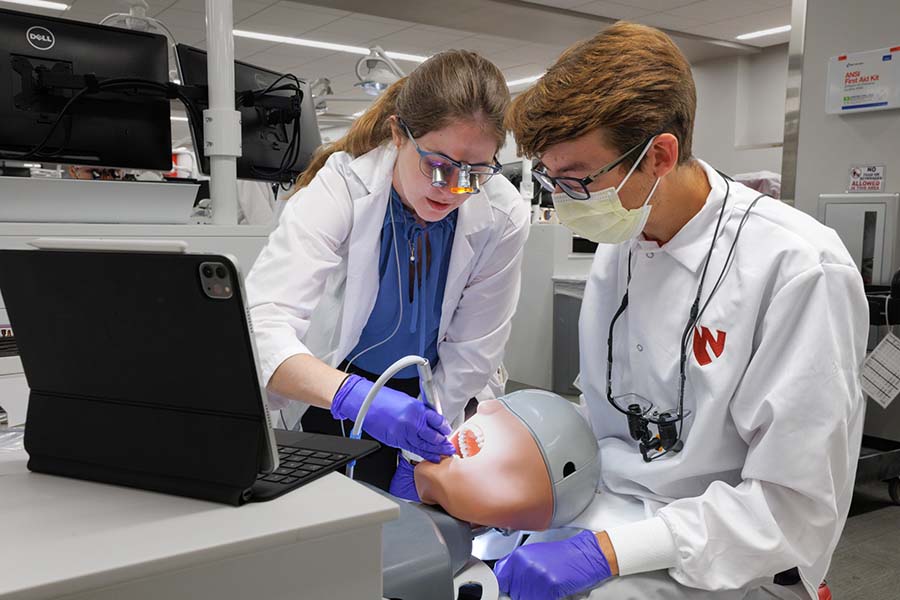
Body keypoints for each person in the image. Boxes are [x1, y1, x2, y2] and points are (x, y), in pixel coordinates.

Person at [493, 22, 868, 600]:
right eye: (553, 180)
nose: (566, 203)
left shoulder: (798, 270)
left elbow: (793, 506)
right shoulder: (622, 244)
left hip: (729, 558)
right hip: (610, 515)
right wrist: (507, 468)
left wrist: (613, 551)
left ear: (660, 155)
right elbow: (609, 414)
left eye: (577, 181)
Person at [245, 50, 530, 490]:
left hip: (439, 395)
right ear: (399, 134)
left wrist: (421, 448)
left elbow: (474, 349)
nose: (454, 188)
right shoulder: (342, 186)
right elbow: (263, 326)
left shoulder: (503, 212)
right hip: (336, 387)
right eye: (438, 165)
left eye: (475, 173)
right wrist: (350, 397)